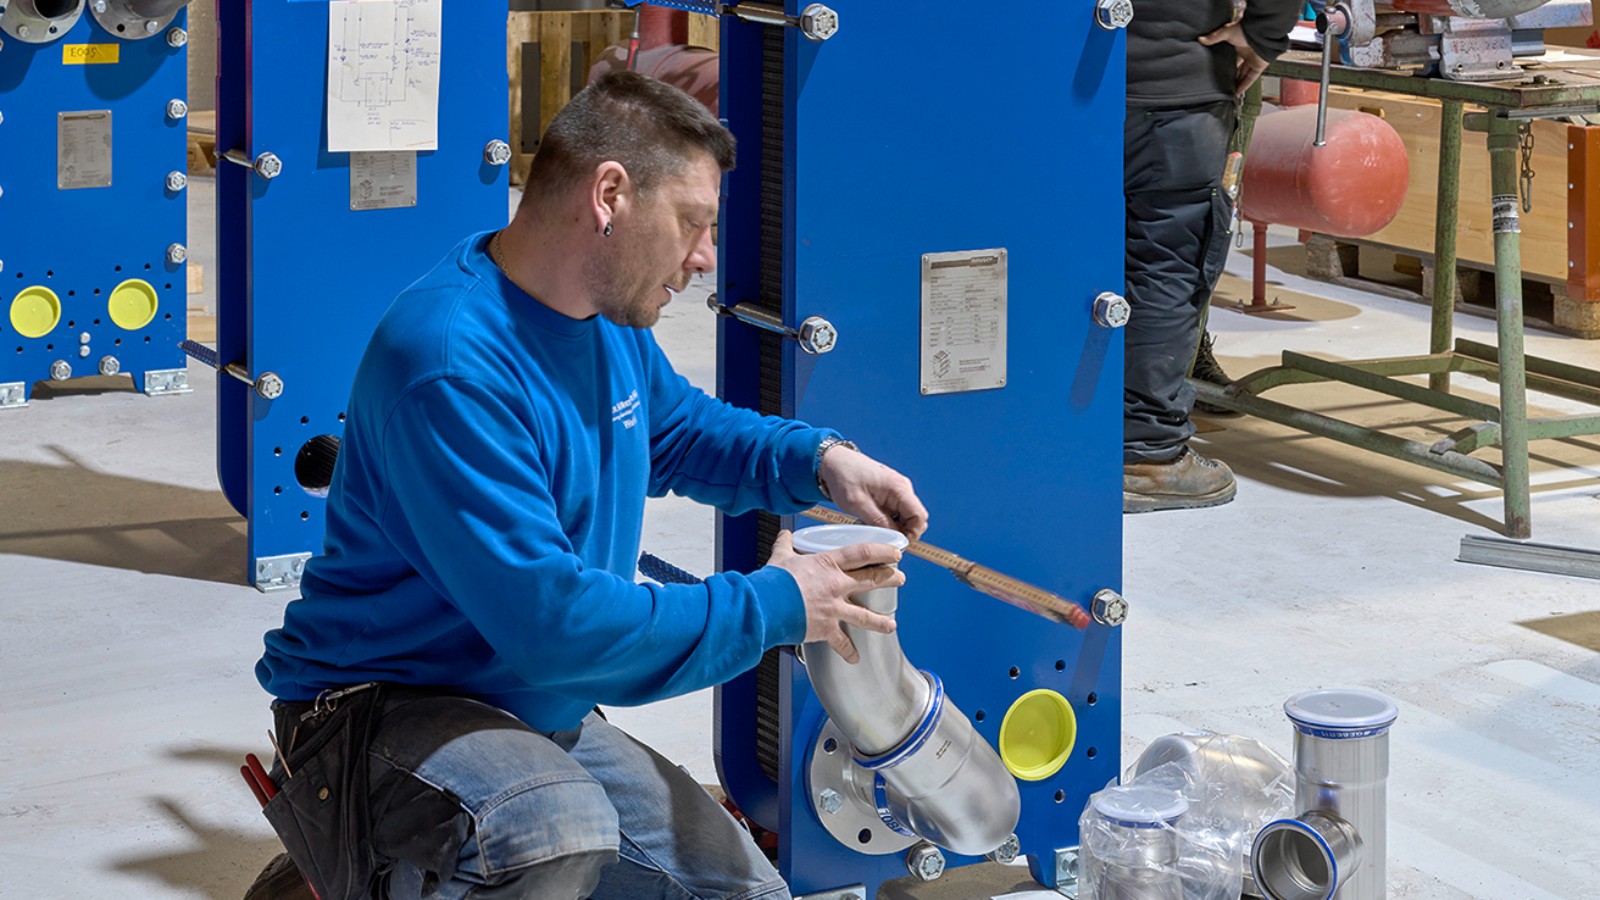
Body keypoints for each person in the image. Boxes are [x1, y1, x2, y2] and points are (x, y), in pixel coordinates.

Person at [250, 71, 929, 900]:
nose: (706, 256)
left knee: (747, 895)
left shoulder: (602, 323)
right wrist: (779, 602)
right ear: (610, 194)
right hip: (381, 711)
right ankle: (364, 854)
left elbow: (677, 430)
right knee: (553, 829)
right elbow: (561, 629)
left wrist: (819, 460)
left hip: (524, 707)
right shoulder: (452, 364)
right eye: (694, 224)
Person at [1122, 0, 1299, 512]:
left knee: (1060, 263)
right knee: (1165, 267)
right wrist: (1265, 35)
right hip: (1176, 89)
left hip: (1058, 86)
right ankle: (1146, 457)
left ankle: (1063, 438)